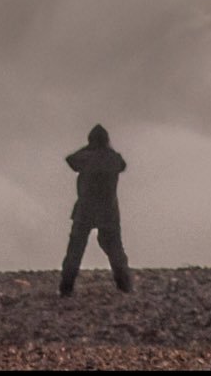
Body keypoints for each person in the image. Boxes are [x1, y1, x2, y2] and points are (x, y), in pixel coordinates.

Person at [59, 123, 132, 296]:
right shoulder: (113, 158)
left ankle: (66, 287)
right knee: (115, 249)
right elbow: (122, 166)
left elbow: (70, 160)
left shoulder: (85, 157)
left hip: (86, 209)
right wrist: (106, 149)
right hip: (108, 210)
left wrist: (89, 148)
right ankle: (124, 285)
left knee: (75, 249)